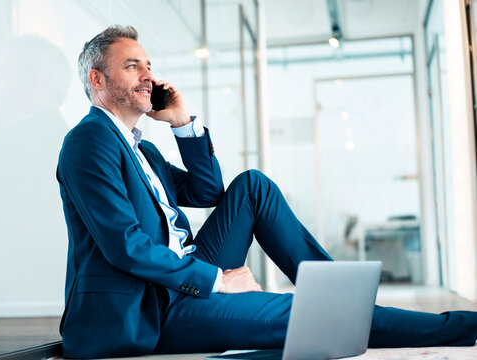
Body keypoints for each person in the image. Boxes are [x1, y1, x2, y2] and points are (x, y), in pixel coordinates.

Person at [56, 25, 477, 359]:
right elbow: (125, 247)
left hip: (176, 280)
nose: (149, 75)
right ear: (98, 79)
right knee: (309, 315)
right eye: (132, 66)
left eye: (148, 65)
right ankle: (463, 325)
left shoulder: (140, 147)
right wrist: (218, 282)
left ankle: (335, 291)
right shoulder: (90, 140)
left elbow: (207, 191)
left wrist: (183, 123)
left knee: (252, 187)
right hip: (147, 308)